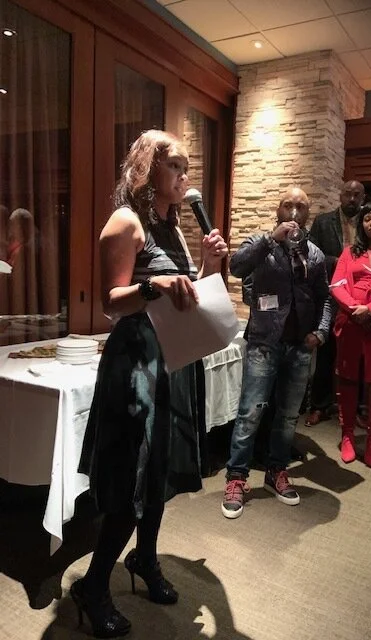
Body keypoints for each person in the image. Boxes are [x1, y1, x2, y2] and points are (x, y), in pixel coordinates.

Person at [71, 130, 228, 638]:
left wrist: (207, 266)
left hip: (170, 358)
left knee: (158, 472)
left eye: (186, 168)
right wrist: (150, 285)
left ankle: (145, 558)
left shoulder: (173, 226)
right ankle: (93, 585)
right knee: (131, 477)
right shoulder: (126, 222)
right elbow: (110, 302)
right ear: (148, 169)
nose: (184, 176)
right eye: (175, 166)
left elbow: (186, 297)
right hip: (135, 364)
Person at [222, 188, 332, 519]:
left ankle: (276, 471)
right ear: (278, 210)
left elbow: (325, 297)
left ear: (308, 214)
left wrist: (321, 332)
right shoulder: (262, 242)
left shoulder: (315, 254)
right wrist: (271, 239)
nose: (295, 211)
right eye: (289, 205)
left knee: (287, 416)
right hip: (263, 344)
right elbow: (237, 267)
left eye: (301, 206)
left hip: (300, 347)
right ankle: (236, 477)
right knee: (250, 413)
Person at [330, 201, 371, 466]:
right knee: (347, 380)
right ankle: (347, 435)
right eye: (367, 218)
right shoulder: (349, 252)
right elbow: (336, 284)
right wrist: (355, 309)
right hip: (350, 322)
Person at [305, 180, 365, 426]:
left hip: (359, 296)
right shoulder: (323, 222)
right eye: (347, 194)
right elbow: (311, 253)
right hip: (329, 293)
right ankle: (319, 406)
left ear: (363, 198)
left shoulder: (368, 222)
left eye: (356, 195)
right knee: (326, 352)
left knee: (357, 355)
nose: (351, 199)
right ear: (340, 195)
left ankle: (356, 408)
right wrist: (339, 262)